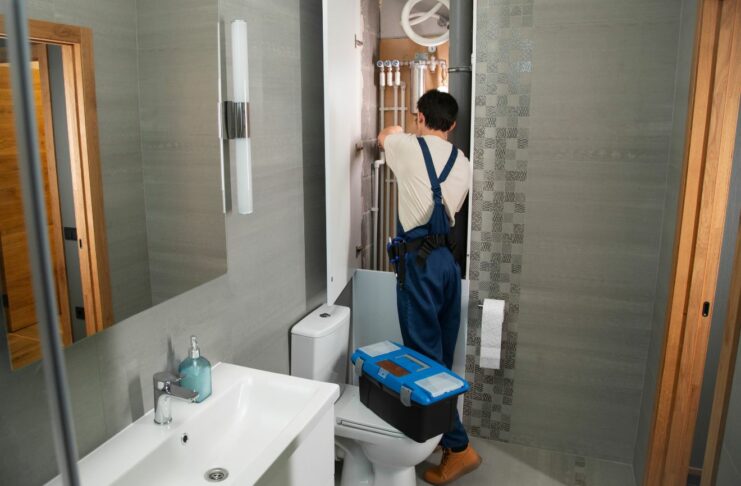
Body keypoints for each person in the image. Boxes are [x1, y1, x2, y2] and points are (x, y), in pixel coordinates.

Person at [378, 89, 481, 485]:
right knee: (440, 357)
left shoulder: (406, 146)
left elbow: (384, 135)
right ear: (452, 125)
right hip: (447, 266)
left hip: (418, 265)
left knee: (423, 359)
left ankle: (458, 446)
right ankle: (441, 433)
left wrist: (400, 128)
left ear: (419, 117)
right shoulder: (464, 162)